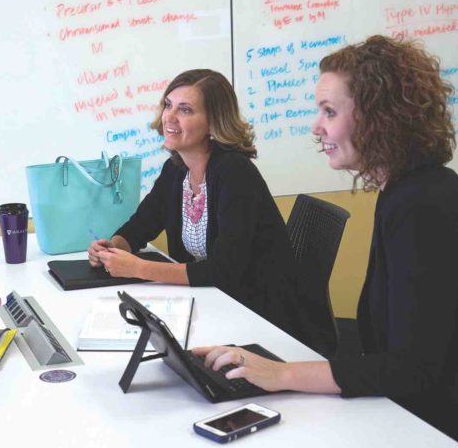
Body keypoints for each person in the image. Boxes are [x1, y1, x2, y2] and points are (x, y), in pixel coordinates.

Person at [193, 36, 458, 448]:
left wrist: (282, 374)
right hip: (415, 414)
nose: (317, 126)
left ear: (378, 118)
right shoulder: (405, 191)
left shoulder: (423, 207)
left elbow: (411, 369)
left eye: (330, 111)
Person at [88, 69, 328, 352]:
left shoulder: (235, 174)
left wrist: (139, 268)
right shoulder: (175, 170)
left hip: (264, 320)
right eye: (168, 105)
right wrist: (112, 248)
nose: (170, 117)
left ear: (214, 123)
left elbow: (223, 271)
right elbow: (140, 226)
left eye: (185, 109)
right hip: (216, 305)